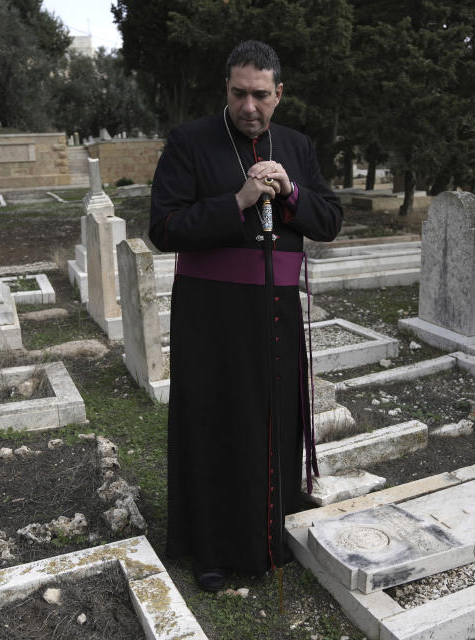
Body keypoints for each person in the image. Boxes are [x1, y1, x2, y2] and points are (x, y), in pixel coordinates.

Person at [149, 40, 343, 592]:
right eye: (239, 93)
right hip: (209, 313)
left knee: (271, 422)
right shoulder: (190, 141)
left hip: (275, 312)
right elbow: (163, 229)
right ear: (226, 90)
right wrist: (237, 199)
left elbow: (328, 220)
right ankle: (210, 548)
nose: (250, 106)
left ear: (279, 94)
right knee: (214, 423)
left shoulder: (299, 146)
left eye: (261, 95)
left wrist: (291, 191)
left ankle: (266, 534)